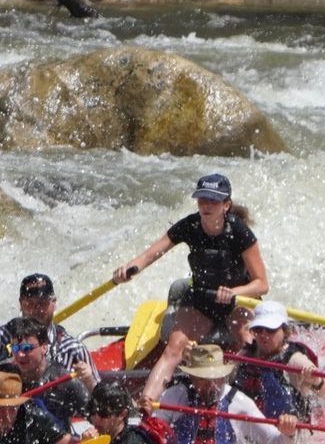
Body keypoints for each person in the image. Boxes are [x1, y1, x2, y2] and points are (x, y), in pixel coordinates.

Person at [115, 173, 268, 404]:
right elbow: (151, 254)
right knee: (174, 348)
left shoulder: (240, 232)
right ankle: (148, 406)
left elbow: (262, 284)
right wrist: (130, 268)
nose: (206, 206)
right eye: (202, 200)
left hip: (238, 300)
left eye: (213, 201)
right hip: (202, 299)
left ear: (226, 205)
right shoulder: (190, 225)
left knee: (247, 341)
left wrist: (235, 293)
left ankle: (245, 399)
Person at [152, 343, 298, 444]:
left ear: (223, 376)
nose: (210, 384)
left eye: (215, 377)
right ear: (192, 377)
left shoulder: (240, 403)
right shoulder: (174, 396)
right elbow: (153, 435)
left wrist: (288, 434)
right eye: (203, 378)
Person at [0, 273, 94, 416]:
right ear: (21, 304)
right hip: (1, 422)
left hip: (54, 425)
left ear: (54, 303)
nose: (36, 310)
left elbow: (100, 403)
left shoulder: (73, 349)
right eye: (29, 304)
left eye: (42, 303)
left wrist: (89, 381)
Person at [230, 300, 324, 419]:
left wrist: (317, 381)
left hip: (286, 432)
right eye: (259, 329)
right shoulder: (246, 354)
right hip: (251, 427)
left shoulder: (295, 360)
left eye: (270, 329)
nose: (264, 335)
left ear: (285, 331)